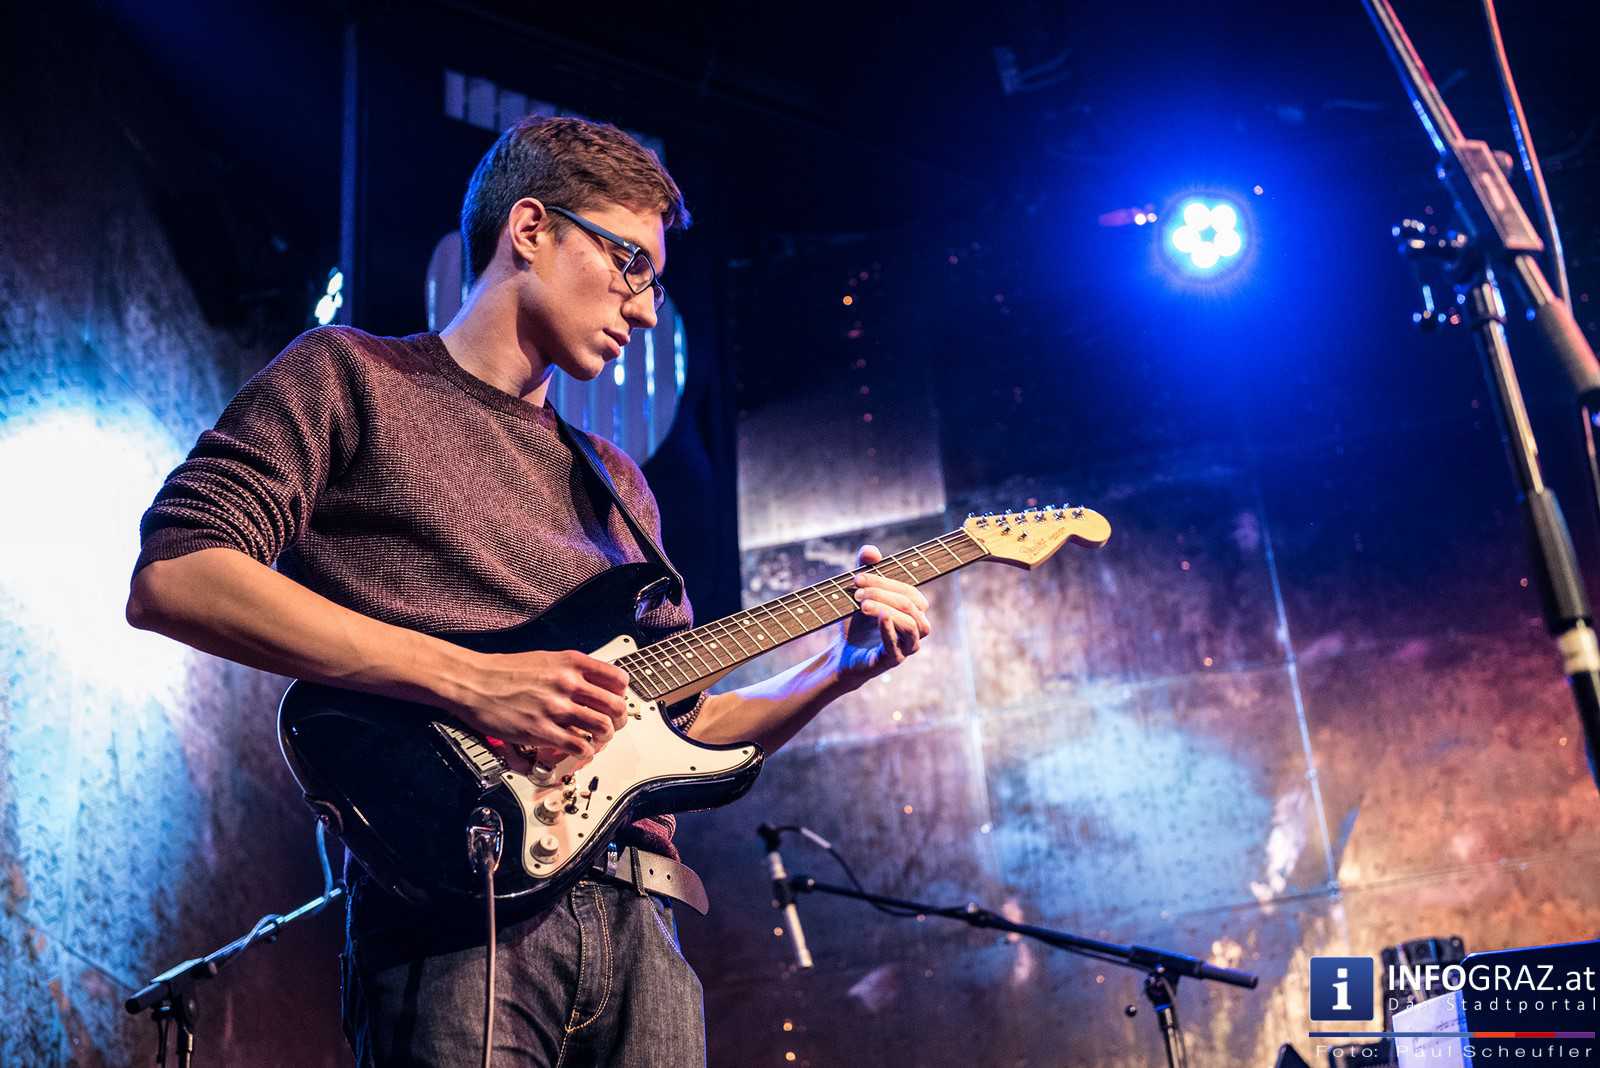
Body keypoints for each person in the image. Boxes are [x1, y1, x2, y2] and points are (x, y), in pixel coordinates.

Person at [125, 115, 933, 1067]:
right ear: (532, 228)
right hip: (456, 918)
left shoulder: (620, 484)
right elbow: (178, 572)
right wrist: (473, 681)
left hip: (647, 925)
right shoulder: (351, 377)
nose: (644, 310)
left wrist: (833, 672)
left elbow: (679, 727)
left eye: (656, 283)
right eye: (631, 264)